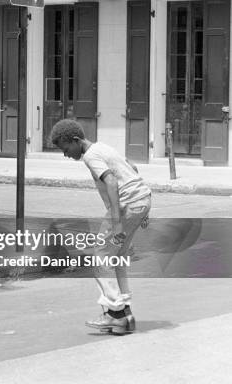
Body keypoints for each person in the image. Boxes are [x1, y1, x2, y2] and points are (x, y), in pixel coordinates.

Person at [49, 119, 151, 334]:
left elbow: (112, 182)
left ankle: (115, 314)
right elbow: (131, 167)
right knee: (117, 257)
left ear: (76, 140)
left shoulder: (91, 156)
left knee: (100, 255)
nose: (65, 154)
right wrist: (143, 210)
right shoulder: (103, 147)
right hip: (140, 199)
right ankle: (126, 315)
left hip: (126, 205)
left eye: (66, 149)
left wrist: (116, 223)